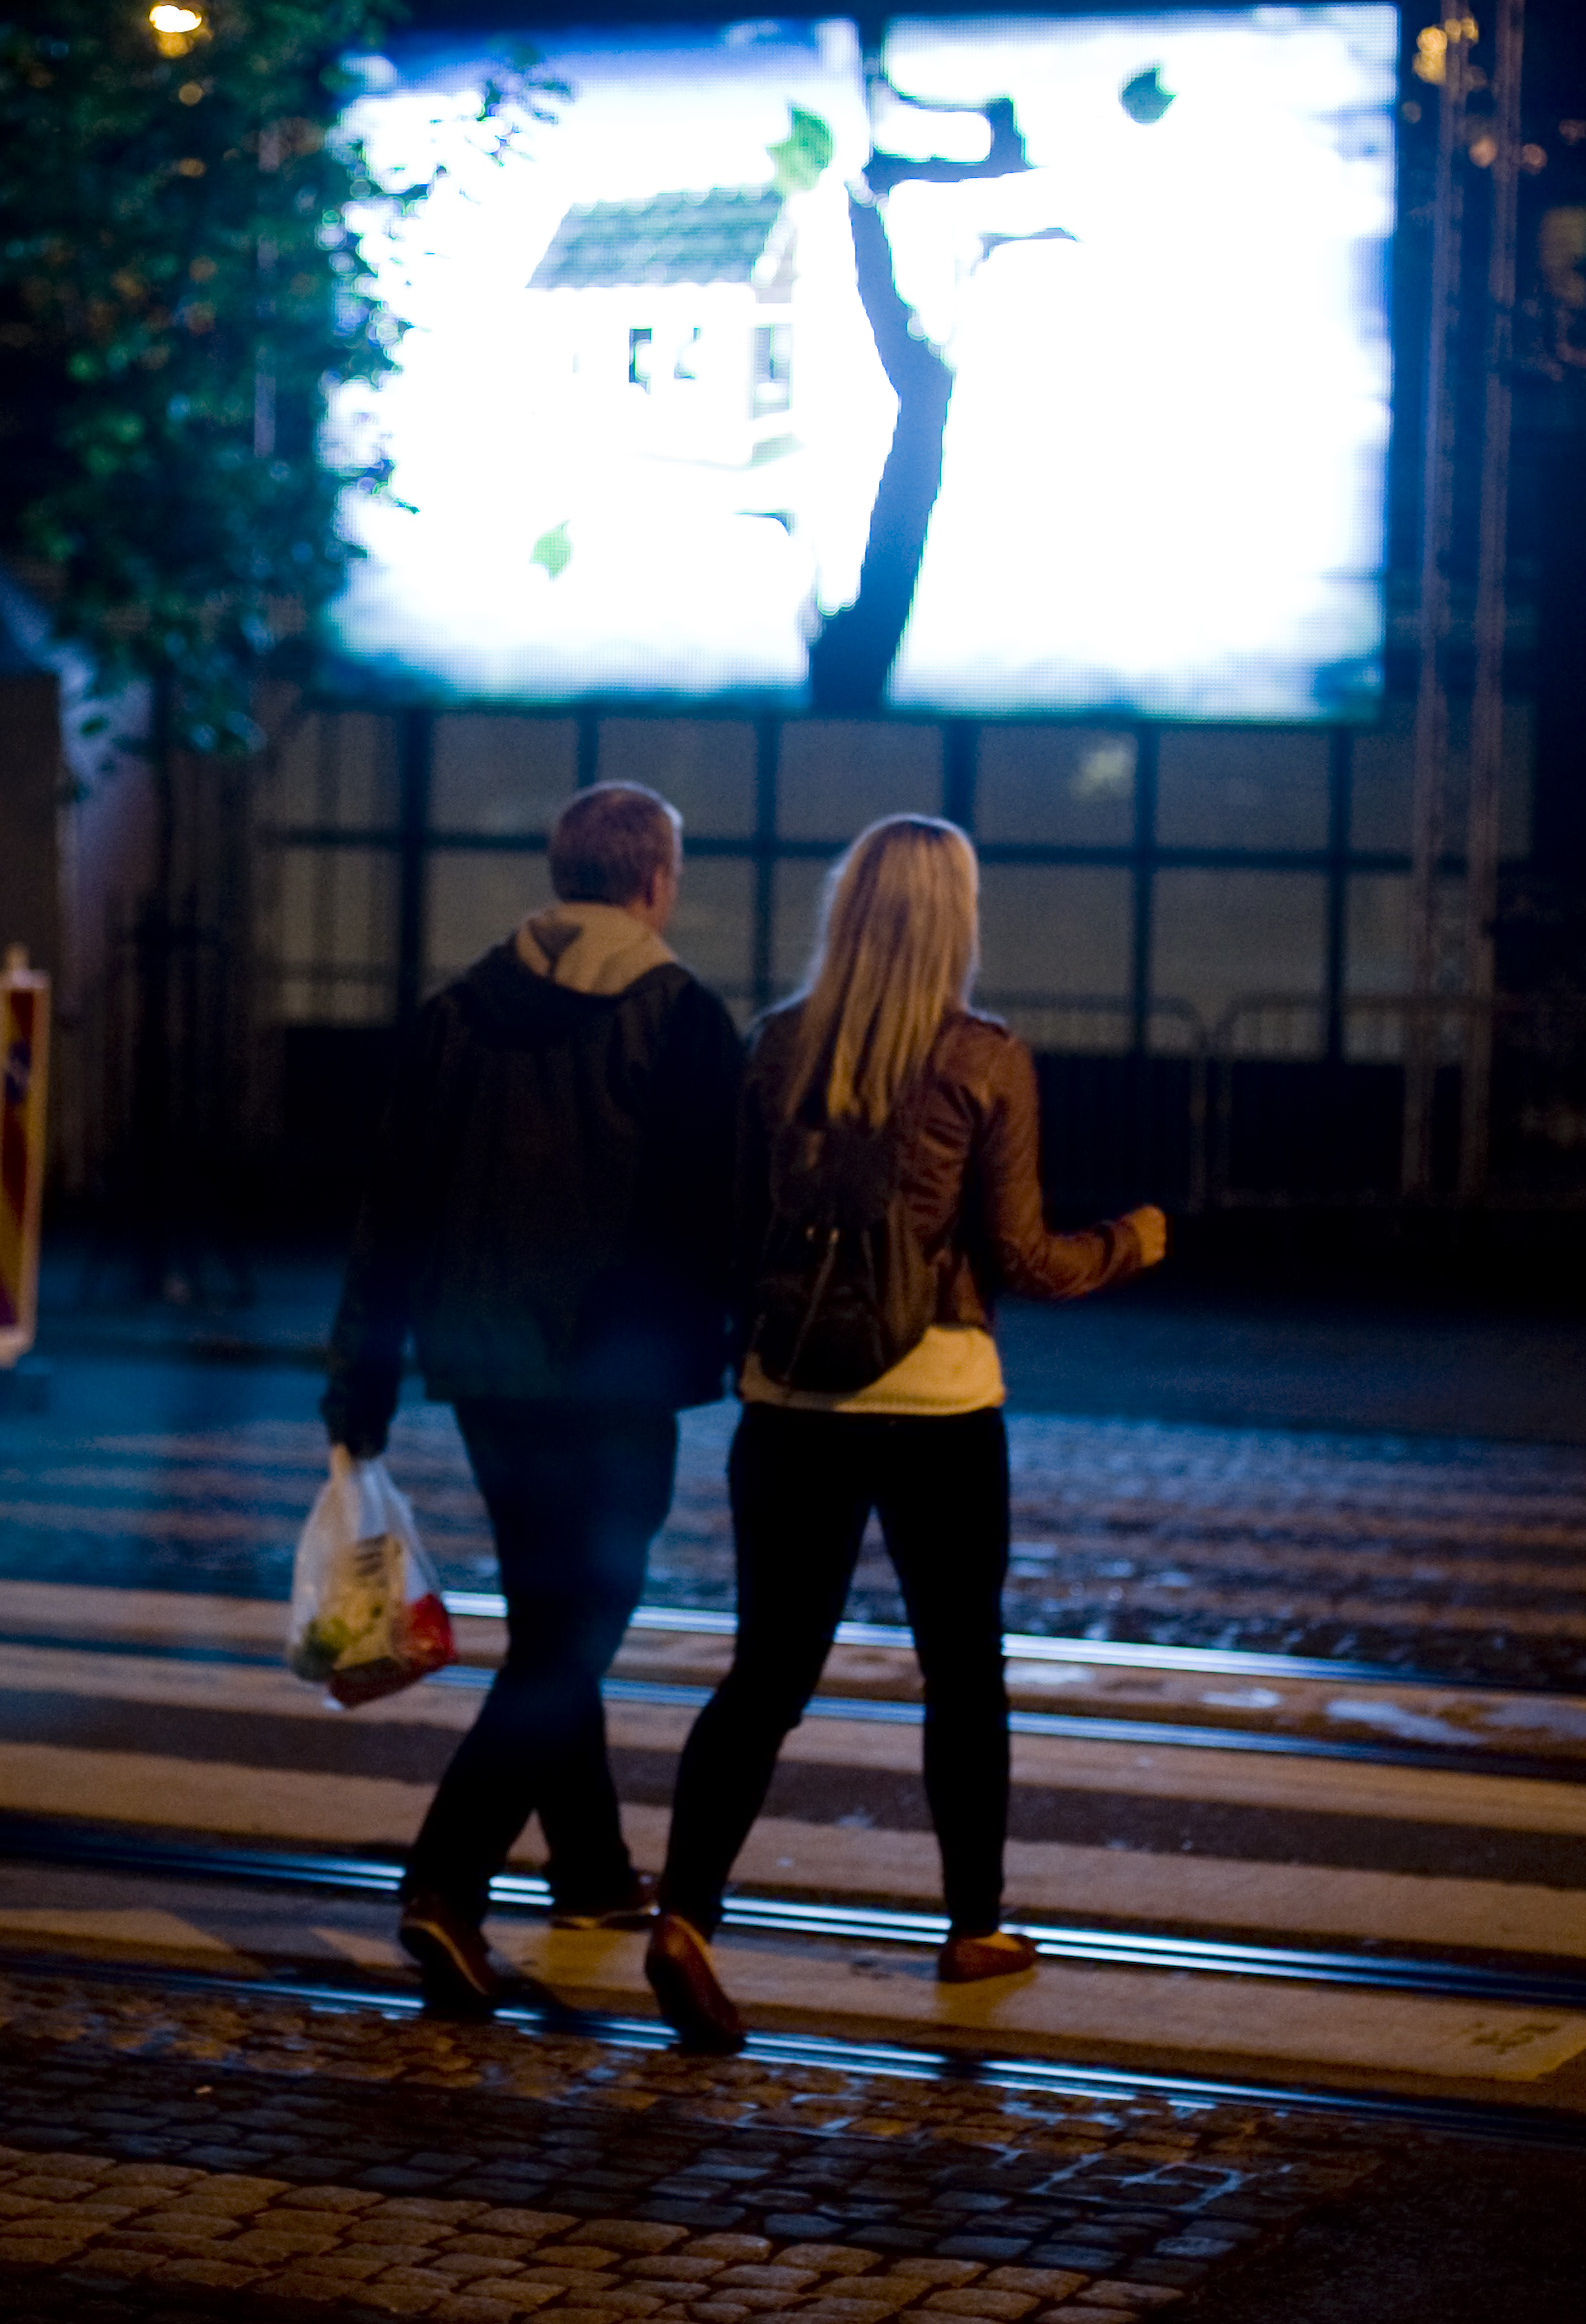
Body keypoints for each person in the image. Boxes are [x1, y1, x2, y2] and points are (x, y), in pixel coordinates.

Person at [644, 813, 1166, 2050]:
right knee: (961, 1666)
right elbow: (1024, 1255)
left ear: (847, 908)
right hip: (938, 1399)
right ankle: (973, 1923)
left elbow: (735, 1235)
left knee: (766, 1672)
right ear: (954, 918)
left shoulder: (775, 1045)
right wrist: (1133, 1240)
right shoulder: (985, 1058)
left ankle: (684, 1914)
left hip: (789, 1402)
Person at [322, 780, 744, 2011]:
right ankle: (444, 1881)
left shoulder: (457, 1010)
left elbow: (391, 1203)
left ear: (563, 873)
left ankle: (592, 1869)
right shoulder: (680, 1015)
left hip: (485, 1370)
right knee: (571, 1635)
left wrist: (362, 1373)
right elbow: (716, 1211)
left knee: (551, 1618)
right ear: (653, 880)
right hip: (615, 1380)